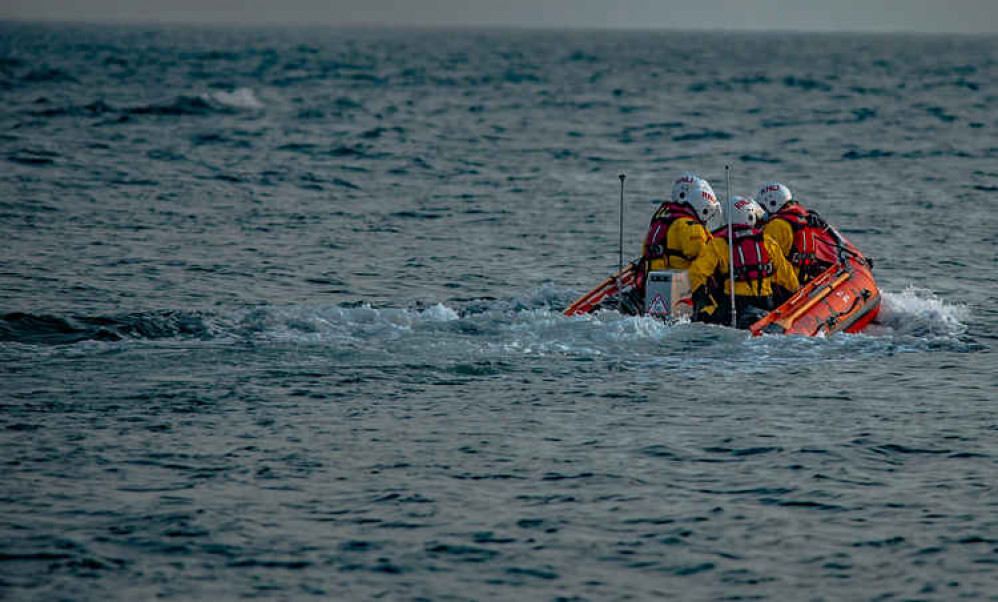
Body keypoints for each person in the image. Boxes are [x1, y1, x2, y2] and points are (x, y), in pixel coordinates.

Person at [688, 196, 799, 328]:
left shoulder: (719, 243)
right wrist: (796, 294)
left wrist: (702, 301)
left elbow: (697, 273)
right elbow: (787, 276)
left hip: (734, 305)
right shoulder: (767, 241)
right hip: (765, 303)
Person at [635, 173, 721, 315]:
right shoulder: (689, 226)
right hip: (680, 289)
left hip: (650, 283)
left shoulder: (662, 219)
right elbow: (705, 259)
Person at [756, 182, 833, 284]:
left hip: (786, 283)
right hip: (803, 275)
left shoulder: (776, 226)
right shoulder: (800, 217)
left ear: (773, 203)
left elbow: (766, 258)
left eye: (762, 207)